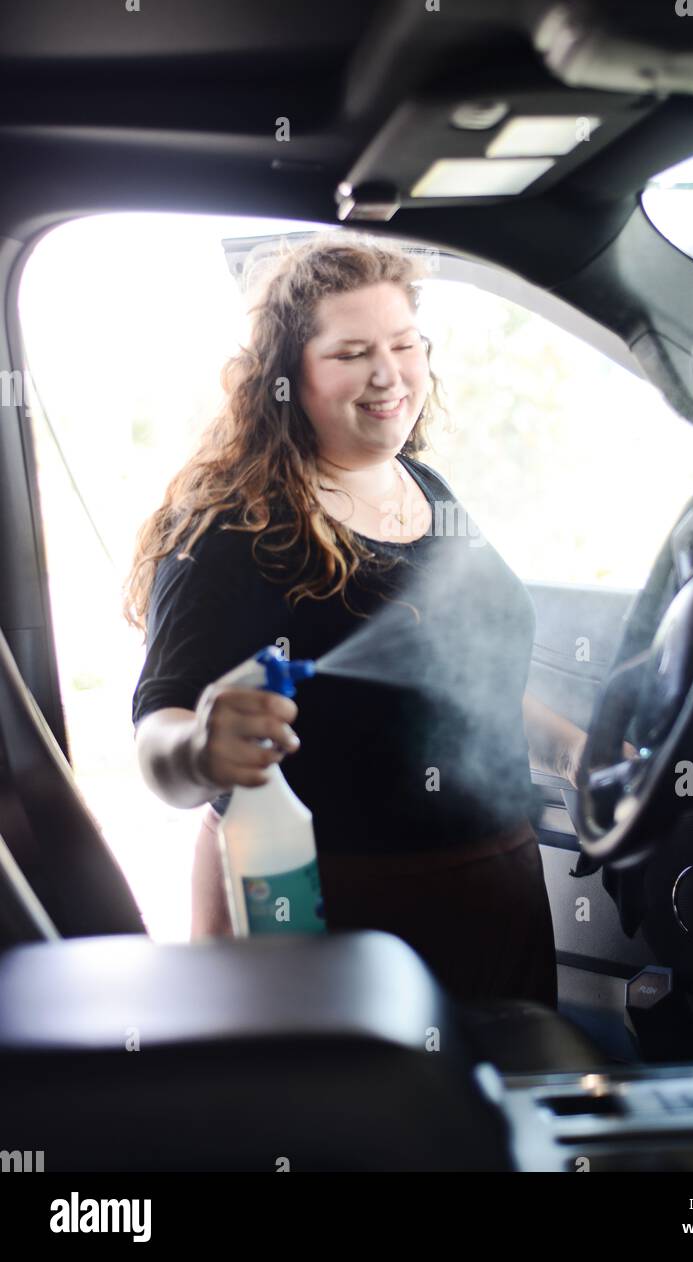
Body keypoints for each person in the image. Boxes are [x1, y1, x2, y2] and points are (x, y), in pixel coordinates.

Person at [126, 234, 589, 1008]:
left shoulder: (425, 486)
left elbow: (463, 679)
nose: (388, 373)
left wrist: (570, 750)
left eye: (404, 343)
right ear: (286, 376)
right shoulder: (229, 527)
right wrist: (201, 749)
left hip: (496, 893)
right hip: (333, 921)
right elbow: (156, 739)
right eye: (350, 353)